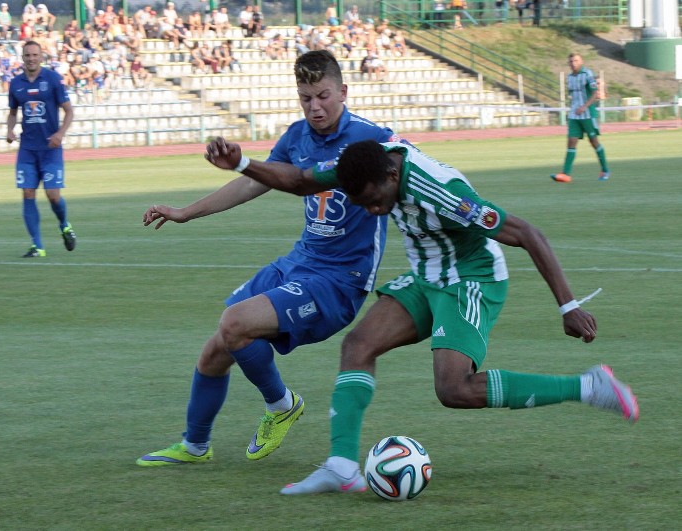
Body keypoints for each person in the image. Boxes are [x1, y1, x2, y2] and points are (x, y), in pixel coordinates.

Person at [203, 137, 640, 494]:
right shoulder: (361, 166)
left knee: (453, 389)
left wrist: (569, 306)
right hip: (426, 275)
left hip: (471, 278)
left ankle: (588, 386)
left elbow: (526, 233)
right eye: (362, 203)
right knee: (358, 345)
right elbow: (299, 180)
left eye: (375, 200)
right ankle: (341, 467)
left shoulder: (440, 191)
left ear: (392, 176)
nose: (373, 210)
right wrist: (244, 163)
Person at [136, 50, 398, 468]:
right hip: (299, 262)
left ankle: (281, 405)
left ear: (343, 92)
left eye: (323, 96)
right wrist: (186, 212)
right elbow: (251, 185)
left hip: (340, 281)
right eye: (305, 97)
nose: (315, 106)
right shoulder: (297, 136)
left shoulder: (375, 138)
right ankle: (194, 446)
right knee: (217, 348)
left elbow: (407, 180)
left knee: (235, 324)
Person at [6, 40, 76, 258]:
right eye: (27, 55)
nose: (31, 59)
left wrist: (60, 134)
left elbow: (69, 111)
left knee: (53, 195)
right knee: (28, 193)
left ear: (41, 57)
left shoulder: (53, 80)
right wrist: (9, 130)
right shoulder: (16, 83)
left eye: (34, 55)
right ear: (23, 58)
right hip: (27, 149)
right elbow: (12, 112)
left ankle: (64, 225)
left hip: (50, 148)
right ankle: (37, 246)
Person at [551, 53, 610, 183]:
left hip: (587, 114)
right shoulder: (569, 77)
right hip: (574, 115)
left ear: (581, 61)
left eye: (576, 61)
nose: (573, 63)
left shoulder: (587, 74)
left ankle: (605, 170)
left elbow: (595, 93)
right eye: (571, 61)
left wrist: (584, 106)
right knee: (571, 141)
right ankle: (566, 174)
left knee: (594, 142)